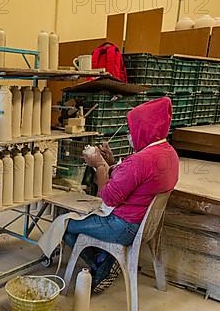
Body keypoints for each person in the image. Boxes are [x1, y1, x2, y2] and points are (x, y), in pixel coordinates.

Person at [63, 97, 179, 293]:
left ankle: (102, 264)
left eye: (132, 129)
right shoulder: (168, 153)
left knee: (65, 226)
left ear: (145, 128)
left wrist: (99, 165)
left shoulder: (141, 160)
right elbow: (135, 180)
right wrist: (112, 162)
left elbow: (108, 197)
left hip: (123, 227)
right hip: (145, 224)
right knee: (80, 220)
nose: (130, 134)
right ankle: (104, 257)